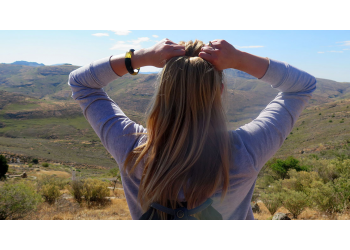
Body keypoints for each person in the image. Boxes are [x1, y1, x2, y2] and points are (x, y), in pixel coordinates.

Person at [68, 38, 316, 220]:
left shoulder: (132, 149)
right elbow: (302, 86)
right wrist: (239, 59)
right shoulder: (246, 151)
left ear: (163, 91)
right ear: (219, 91)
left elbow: (82, 83)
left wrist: (140, 57)